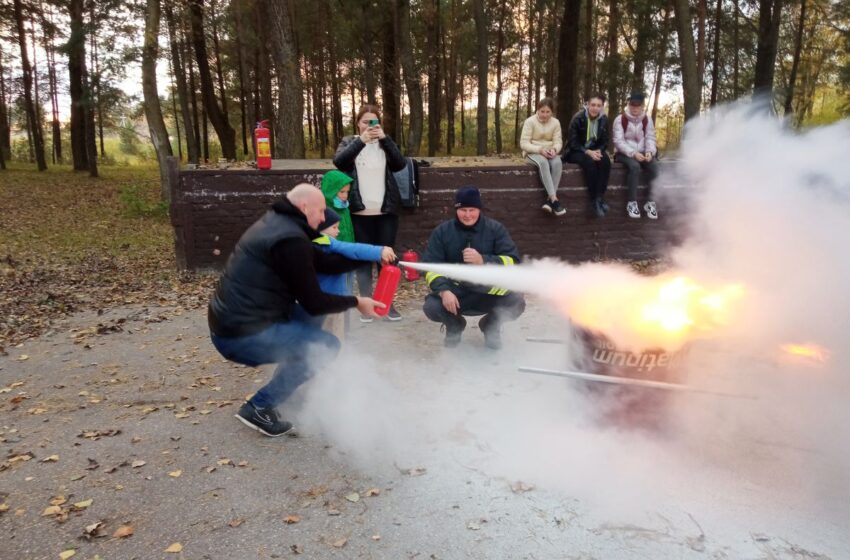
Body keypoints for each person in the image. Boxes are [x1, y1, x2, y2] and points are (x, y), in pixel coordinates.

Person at [208, 184, 384, 437]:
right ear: (304, 207)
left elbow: (324, 262)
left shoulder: (278, 223)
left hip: (236, 322)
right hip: (239, 335)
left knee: (311, 326)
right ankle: (259, 406)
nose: (324, 218)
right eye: (321, 211)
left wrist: (372, 257)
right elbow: (315, 301)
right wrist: (357, 302)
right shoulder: (289, 239)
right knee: (325, 347)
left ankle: (283, 392)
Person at [421, 186, 526, 350]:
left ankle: (490, 327)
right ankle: (455, 326)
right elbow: (431, 267)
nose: (468, 215)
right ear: (456, 210)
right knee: (432, 307)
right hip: (456, 294)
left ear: (479, 209)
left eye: (472, 210)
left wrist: (484, 260)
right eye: (463, 210)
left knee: (516, 302)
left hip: (488, 292)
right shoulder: (442, 232)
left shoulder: (495, 229)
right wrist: (444, 291)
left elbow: (513, 261)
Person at [333, 104, 407, 322]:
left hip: (386, 212)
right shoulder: (350, 142)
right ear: (358, 123)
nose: (370, 125)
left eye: (374, 122)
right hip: (359, 212)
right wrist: (361, 141)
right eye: (366, 121)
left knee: (386, 260)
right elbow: (339, 162)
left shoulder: (385, 142)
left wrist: (385, 140)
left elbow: (400, 164)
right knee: (363, 260)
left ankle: (387, 303)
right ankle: (366, 303)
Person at [312, 208, 396, 339]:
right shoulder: (325, 241)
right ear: (321, 228)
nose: (338, 231)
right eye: (334, 227)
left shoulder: (313, 245)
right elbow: (352, 249)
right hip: (331, 304)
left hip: (324, 302)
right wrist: (378, 252)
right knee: (332, 340)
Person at [563, 93, 612, 218]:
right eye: (593, 105)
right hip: (576, 151)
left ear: (602, 107)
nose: (595, 108)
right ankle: (594, 200)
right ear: (588, 105)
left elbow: (605, 141)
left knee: (605, 161)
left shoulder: (604, 119)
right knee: (590, 164)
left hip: (594, 150)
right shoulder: (578, 118)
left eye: (598, 105)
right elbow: (573, 142)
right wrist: (588, 152)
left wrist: (598, 151)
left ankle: (600, 198)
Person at [613, 92, 659, 220]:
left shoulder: (647, 119)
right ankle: (632, 203)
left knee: (655, 168)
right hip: (624, 153)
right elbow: (618, 141)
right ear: (628, 105)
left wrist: (650, 151)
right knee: (634, 167)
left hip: (643, 152)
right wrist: (633, 153)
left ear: (642, 107)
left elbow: (650, 137)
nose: (635, 108)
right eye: (632, 105)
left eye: (638, 106)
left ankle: (650, 202)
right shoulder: (620, 119)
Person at [520, 97, 565, 216]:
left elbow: (558, 141)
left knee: (557, 162)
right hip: (532, 152)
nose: (544, 115)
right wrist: (539, 150)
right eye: (542, 111)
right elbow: (524, 143)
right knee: (543, 163)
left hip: (550, 151)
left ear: (552, 112)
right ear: (538, 110)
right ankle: (554, 199)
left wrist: (555, 150)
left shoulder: (556, 123)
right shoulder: (530, 122)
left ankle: (549, 202)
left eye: (548, 112)